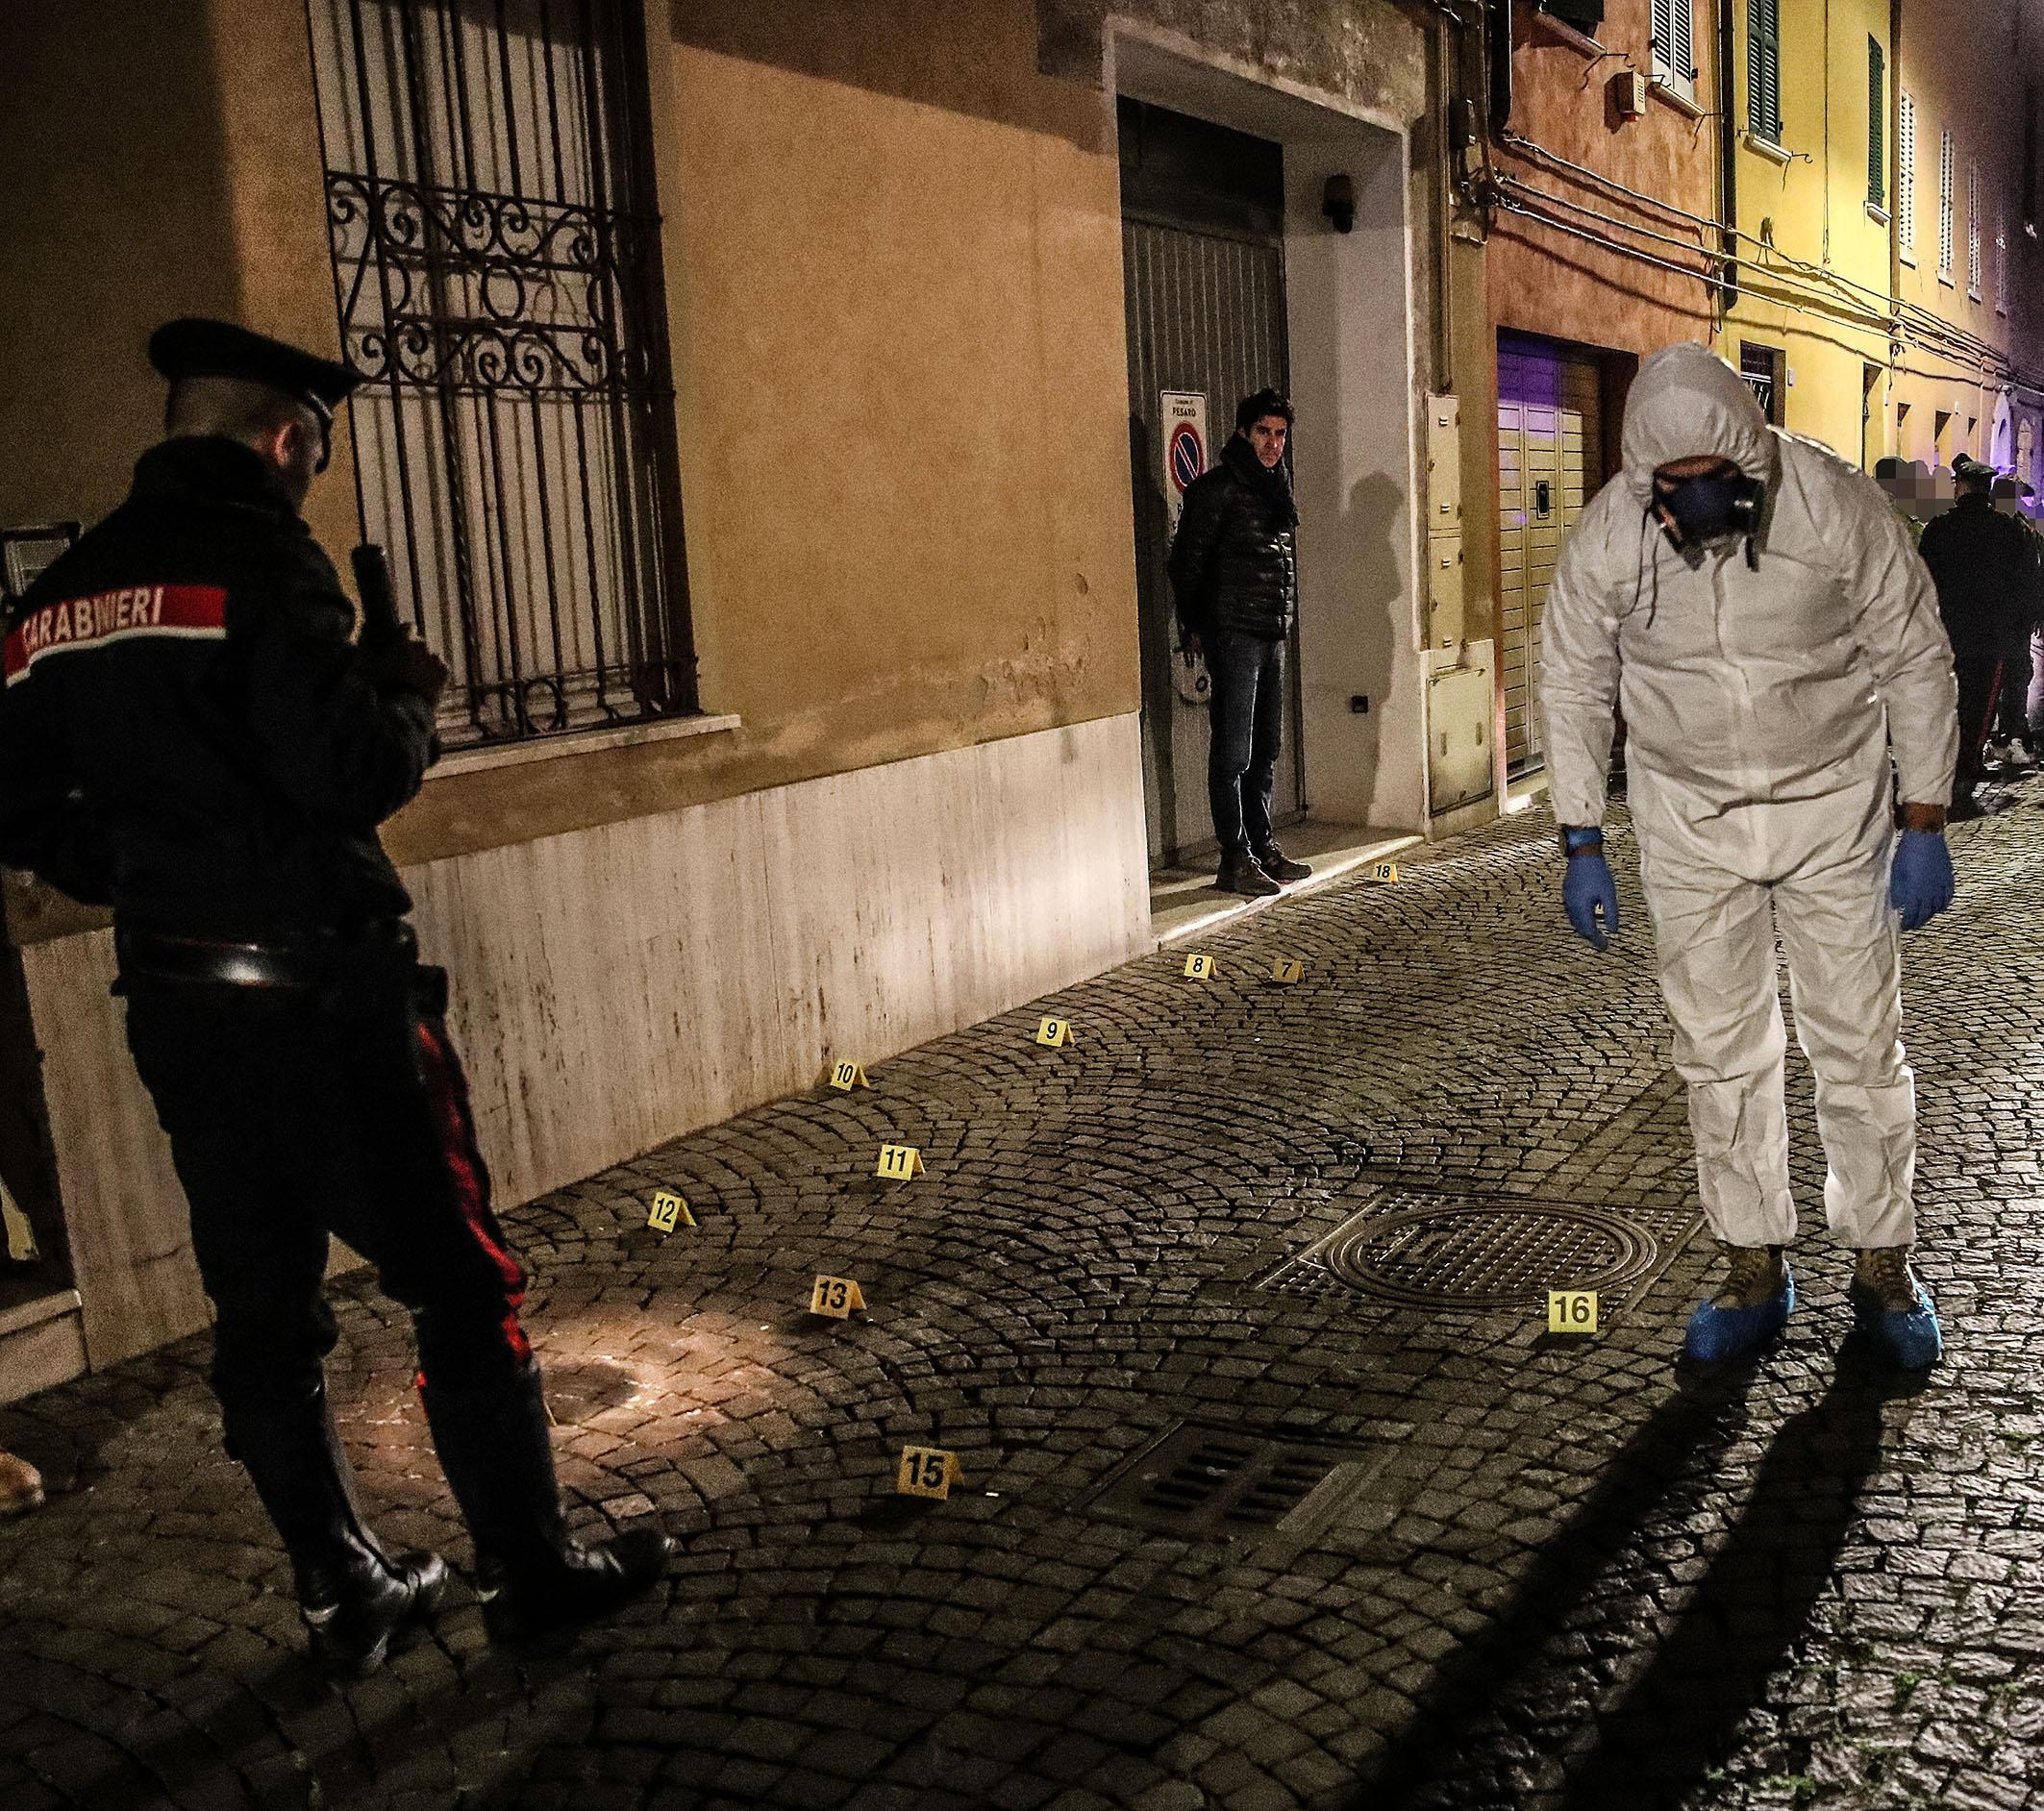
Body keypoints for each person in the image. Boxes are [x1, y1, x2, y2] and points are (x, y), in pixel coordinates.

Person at [0, 319, 670, 1675]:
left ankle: (343, 1584)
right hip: (326, 997)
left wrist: (138, 870)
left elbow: (15, 805)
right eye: (312, 457)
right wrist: (404, 696)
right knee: (458, 1286)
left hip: (182, 1003)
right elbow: (347, 770)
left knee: (262, 1312)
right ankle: (530, 1571)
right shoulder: (267, 561)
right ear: (286, 439)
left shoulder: (58, 597)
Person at [1541, 343, 1956, 1370]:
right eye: (1669, 486)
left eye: (1708, 479)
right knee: (1718, 1054)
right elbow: (1569, 680)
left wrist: (1924, 816)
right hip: (1689, 820)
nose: (1691, 500)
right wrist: (1579, 834)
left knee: (1857, 1044)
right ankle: (1750, 1264)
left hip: (1832, 807)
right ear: (1647, 482)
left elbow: (1911, 650)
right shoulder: (1610, 539)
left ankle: (1880, 1261)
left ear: (1749, 459)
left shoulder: (1833, 505)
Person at [1168, 388, 1312, 897]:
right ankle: (1234, 858)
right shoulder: (1218, 489)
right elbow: (1187, 563)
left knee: (1267, 746)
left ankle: (1263, 845)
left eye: (1280, 435)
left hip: (1269, 631)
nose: (1273, 444)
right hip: (1233, 632)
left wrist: (1282, 619)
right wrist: (1197, 626)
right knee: (1233, 750)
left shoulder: (1276, 485)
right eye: (1264, 433)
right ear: (1242, 433)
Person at [1917, 455, 2032, 814]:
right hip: (1990, 636)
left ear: (1962, 487)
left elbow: (1921, 580)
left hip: (1946, 632)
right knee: (1979, 706)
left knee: (1944, 702)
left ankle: (1943, 766)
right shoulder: (2010, 530)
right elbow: (2025, 584)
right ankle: (1966, 768)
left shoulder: (1939, 529)